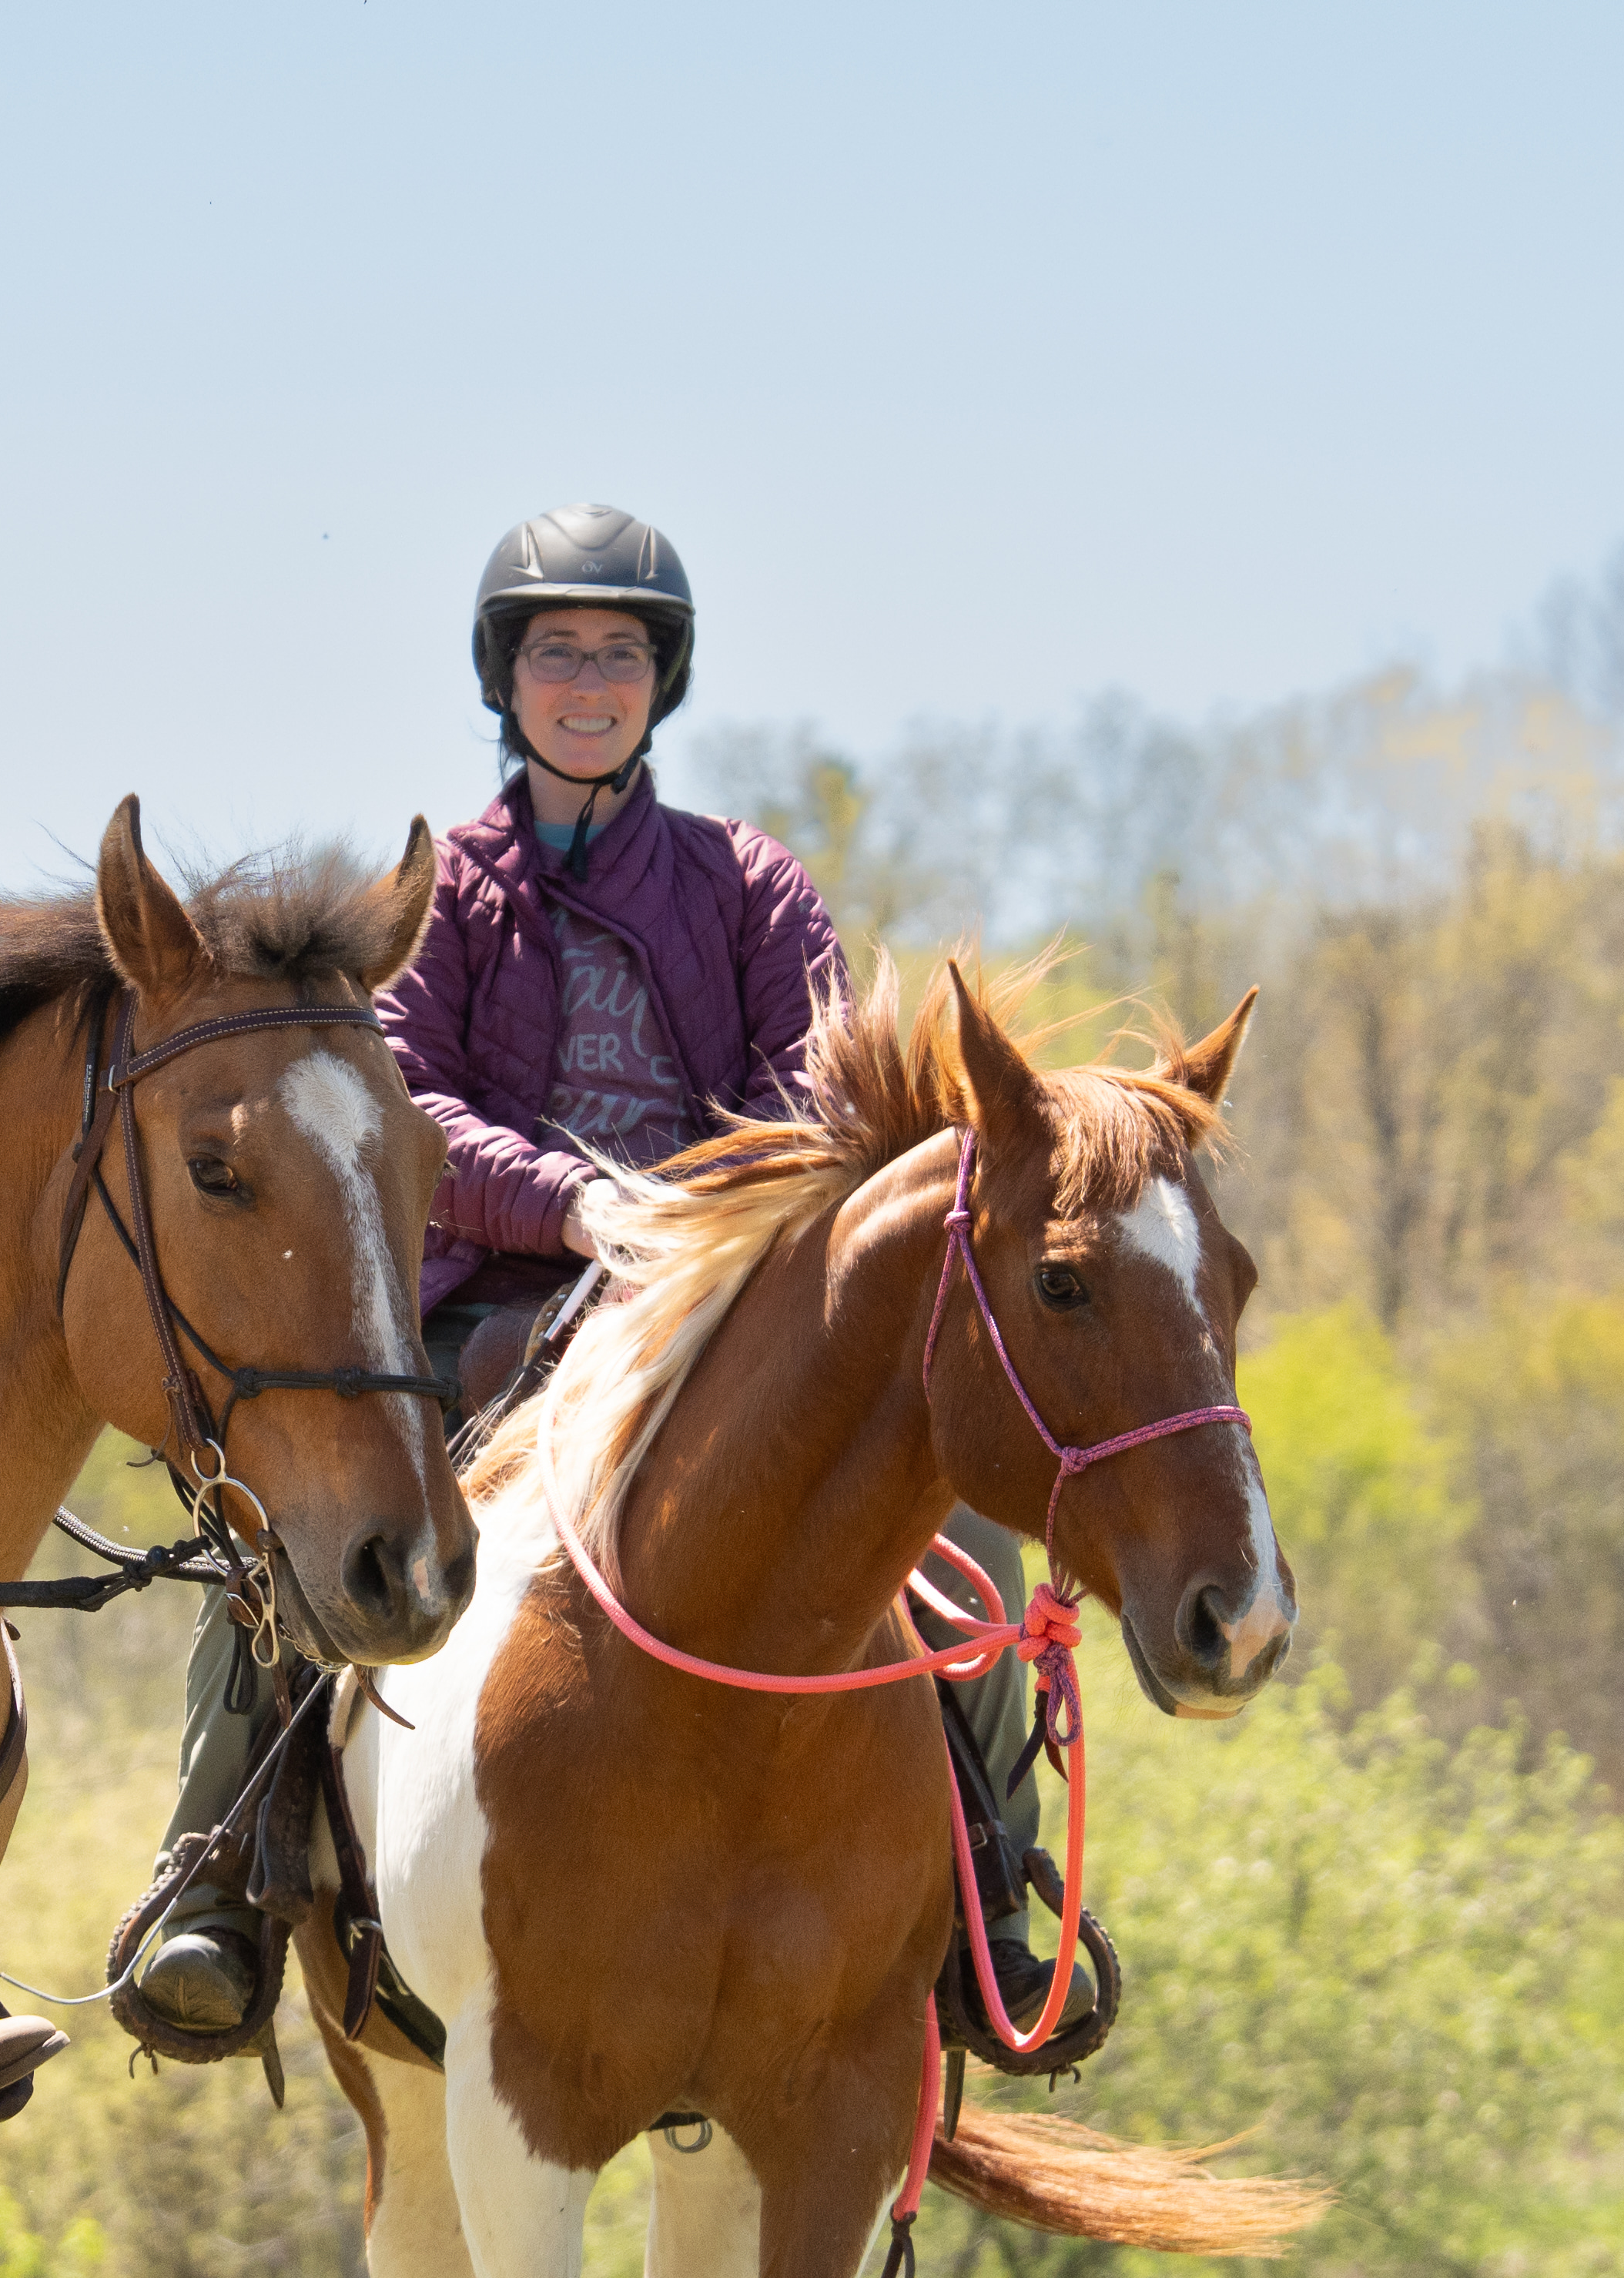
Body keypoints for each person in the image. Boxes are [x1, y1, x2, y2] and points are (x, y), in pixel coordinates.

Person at [113, 506, 1108, 2067]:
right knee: (305, 1502)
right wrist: (572, 1205)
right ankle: (219, 1875)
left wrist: (698, 1227)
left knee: (962, 1530)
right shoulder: (434, 894)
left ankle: (988, 1897)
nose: (589, 682)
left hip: (721, 1324)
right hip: (487, 1308)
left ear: (666, 682)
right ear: (506, 681)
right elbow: (410, 1104)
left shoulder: (753, 887)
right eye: (558, 652)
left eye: (621, 654)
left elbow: (825, 1104)